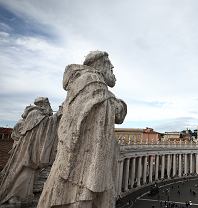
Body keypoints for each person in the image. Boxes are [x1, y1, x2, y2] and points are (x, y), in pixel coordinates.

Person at [37, 51, 127, 208]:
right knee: (81, 197)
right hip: (85, 161)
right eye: (110, 66)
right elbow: (118, 113)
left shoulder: (85, 85)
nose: (112, 67)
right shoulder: (92, 83)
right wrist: (120, 104)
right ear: (100, 65)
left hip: (84, 157)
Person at [0, 97, 60, 204]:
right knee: (23, 172)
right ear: (43, 104)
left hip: (29, 147)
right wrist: (58, 114)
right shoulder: (35, 113)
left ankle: (21, 197)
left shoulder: (38, 114)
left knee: (28, 173)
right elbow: (46, 124)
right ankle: (14, 196)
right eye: (48, 104)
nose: (50, 107)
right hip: (27, 149)